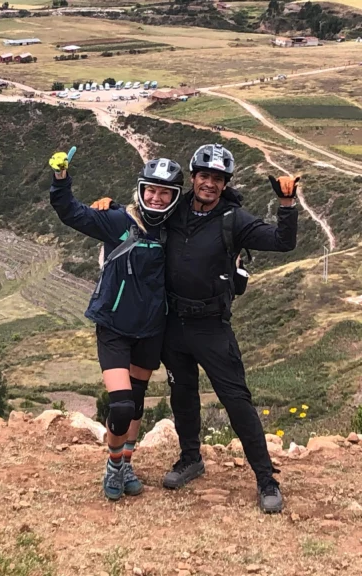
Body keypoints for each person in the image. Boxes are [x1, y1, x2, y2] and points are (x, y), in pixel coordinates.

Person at [159, 143, 299, 513]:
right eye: (204, 175)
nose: (209, 183)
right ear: (193, 177)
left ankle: (266, 480)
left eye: (218, 179)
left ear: (224, 184)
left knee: (238, 403)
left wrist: (287, 205)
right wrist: (107, 209)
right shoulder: (173, 210)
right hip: (174, 324)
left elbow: (283, 242)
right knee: (182, 396)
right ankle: (191, 459)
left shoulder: (232, 219)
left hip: (211, 326)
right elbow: (141, 212)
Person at [48, 151, 184, 500]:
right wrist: (61, 180)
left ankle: (126, 463)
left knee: (137, 404)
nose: (156, 197)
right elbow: (71, 213)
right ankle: (112, 465)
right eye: (150, 189)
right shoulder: (117, 220)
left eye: (164, 193)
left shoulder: (175, 230)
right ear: (141, 189)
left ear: (174, 198)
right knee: (121, 405)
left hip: (151, 329)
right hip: (113, 326)